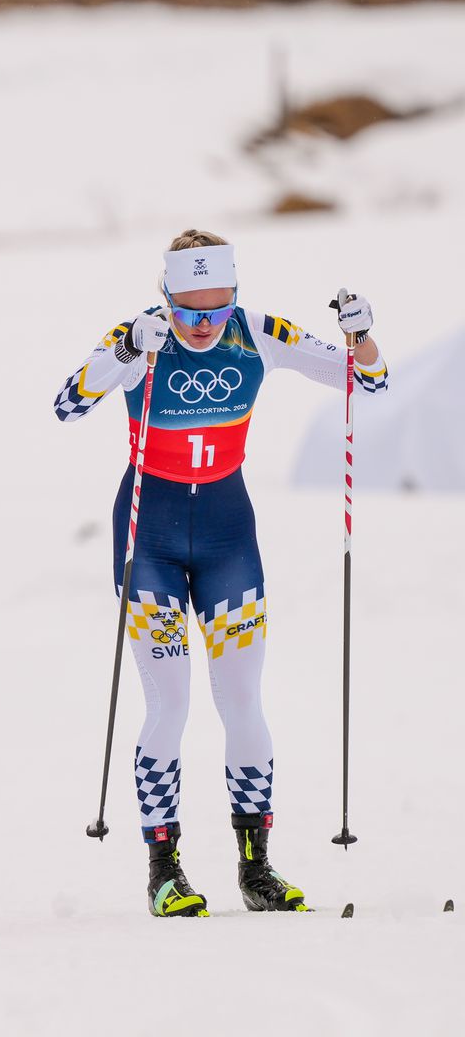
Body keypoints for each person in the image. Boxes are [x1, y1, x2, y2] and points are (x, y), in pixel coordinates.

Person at [53, 229, 389, 917]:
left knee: (243, 703)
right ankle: (164, 869)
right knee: (169, 703)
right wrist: (123, 355)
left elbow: (368, 382)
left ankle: (255, 869)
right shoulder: (140, 334)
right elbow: (67, 403)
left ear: (234, 295)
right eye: (189, 311)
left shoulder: (258, 331)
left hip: (229, 538)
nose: (204, 325)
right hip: (148, 536)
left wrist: (362, 339)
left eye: (217, 307)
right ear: (166, 296)